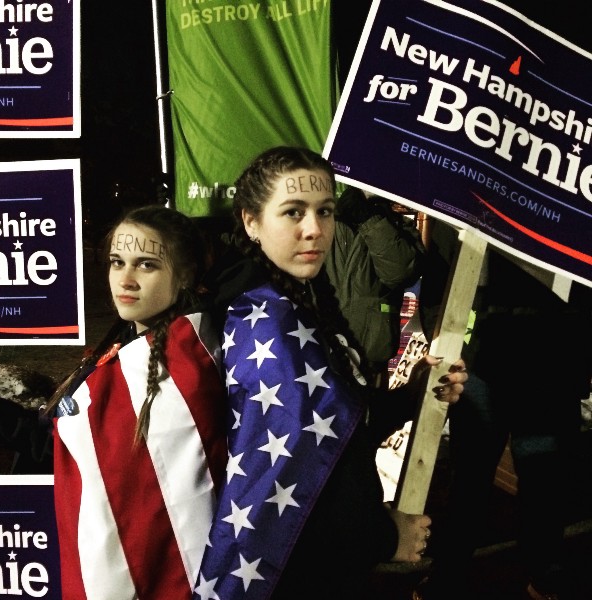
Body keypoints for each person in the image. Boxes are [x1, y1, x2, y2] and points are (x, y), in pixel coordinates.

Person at [0, 205, 229, 600]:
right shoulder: (126, 342)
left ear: (184, 275)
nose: (126, 280)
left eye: (146, 265)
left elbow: (59, 451)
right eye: (117, 262)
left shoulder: (180, 369)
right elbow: (60, 438)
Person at [194, 146, 467, 600]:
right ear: (250, 222)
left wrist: (414, 395)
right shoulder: (267, 322)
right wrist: (384, 534)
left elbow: (336, 427)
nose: (314, 229)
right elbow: (299, 490)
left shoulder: (299, 298)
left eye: (326, 211)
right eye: (293, 212)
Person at [414, 220, 592, 600]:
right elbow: (439, 272)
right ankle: (450, 576)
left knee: (545, 482)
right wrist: (441, 339)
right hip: (482, 365)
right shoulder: (469, 195)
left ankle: (544, 573)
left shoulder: (575, 197)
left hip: (552, 369)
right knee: (470, 482)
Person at [325, 186, 426, 387]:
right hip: (318, 344)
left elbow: (399, 273)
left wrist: (368, 219)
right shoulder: (321, 219)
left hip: (368, 353)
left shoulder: (398, 226)